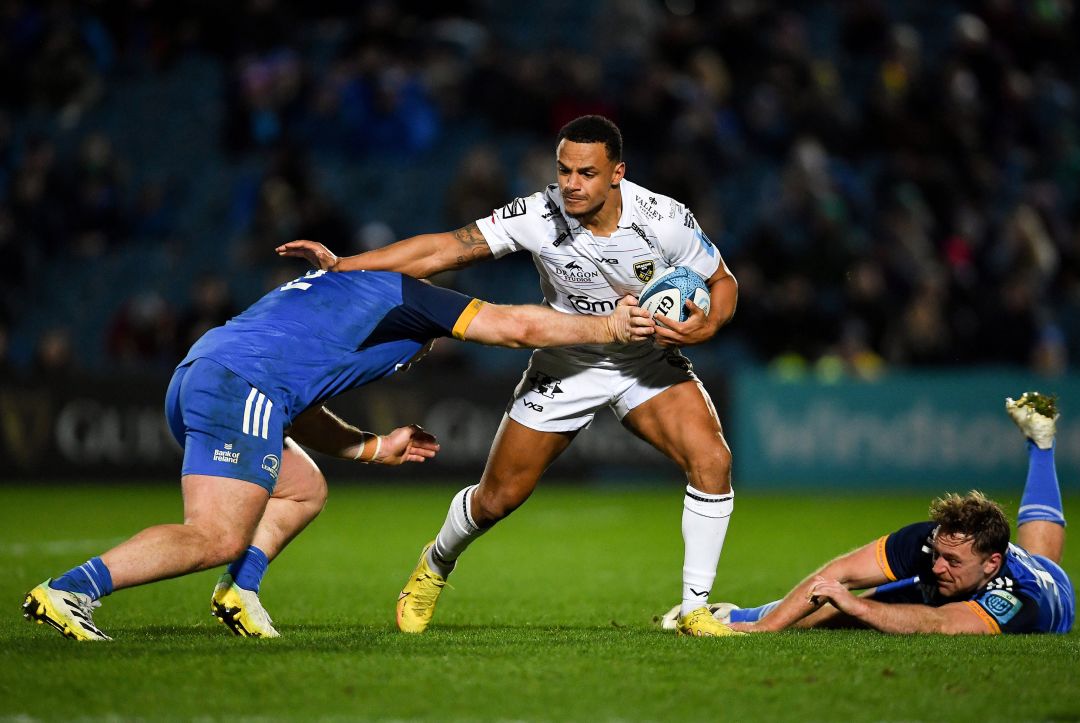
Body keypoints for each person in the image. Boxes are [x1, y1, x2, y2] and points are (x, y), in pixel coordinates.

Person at [277, 115, 742, 636]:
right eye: (563, 170)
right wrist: (343, 267)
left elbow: (722, 282)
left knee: (712, 460)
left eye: (586, 173)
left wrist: (706, 327)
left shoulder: (664, 219)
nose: (570, 184)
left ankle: (696, 608)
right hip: (569, 363)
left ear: (617, 173)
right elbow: (445, 248)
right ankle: (435, 565)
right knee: (497, 498)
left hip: (643, 362)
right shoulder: (538, 213)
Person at [22, 268, 654, 641]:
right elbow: (515, 327)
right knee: (213, 535)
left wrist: (372, 447)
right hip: (241, 385)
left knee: (303, 490)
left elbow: (295, 402)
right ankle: (71, 590)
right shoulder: (412, 300)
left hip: (206, 375)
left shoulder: (337, 291)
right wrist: (607, 327)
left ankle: (238, 593)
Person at [662, 392, 1074, 635]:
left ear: (992, 564)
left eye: (954, 561)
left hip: (1048, 590)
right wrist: (759, 629)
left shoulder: (1020, 599)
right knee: (836, 603)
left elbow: (941, 625)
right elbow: (838, 575)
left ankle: (1042, 446)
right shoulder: (932, 543)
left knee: (1043, 561)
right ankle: (730, 613)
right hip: (963, 591)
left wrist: (856, 606)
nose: (939, 566)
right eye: (940, 555)